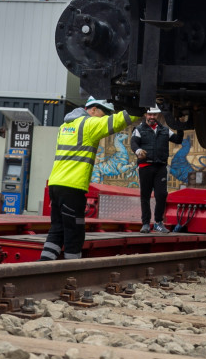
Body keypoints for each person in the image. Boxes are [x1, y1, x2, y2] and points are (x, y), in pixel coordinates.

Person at [39, 97, 135, 261]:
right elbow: (116, 122)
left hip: (55, 184)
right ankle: (72, 268)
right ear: (94, 110)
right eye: (104, 114)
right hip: (72, 186)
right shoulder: (88, 124)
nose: (104, 118)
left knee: (57, 227)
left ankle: (45, 263)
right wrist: (138, 109)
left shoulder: (66, 126)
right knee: (74, 229)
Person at [128, 101, 184, 233]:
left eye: (154, 114)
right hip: (145, 167)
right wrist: (138, 151)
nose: (151, 117)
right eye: (149, 114)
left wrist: (180, 126)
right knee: (145, 196)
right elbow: (133, 143)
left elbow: (178, 140)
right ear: (145, 114)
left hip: (160, 167)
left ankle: (158, 222)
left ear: (158, 115)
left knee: (162, 194)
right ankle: (146, 223)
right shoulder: (138, 129)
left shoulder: (165, 130)